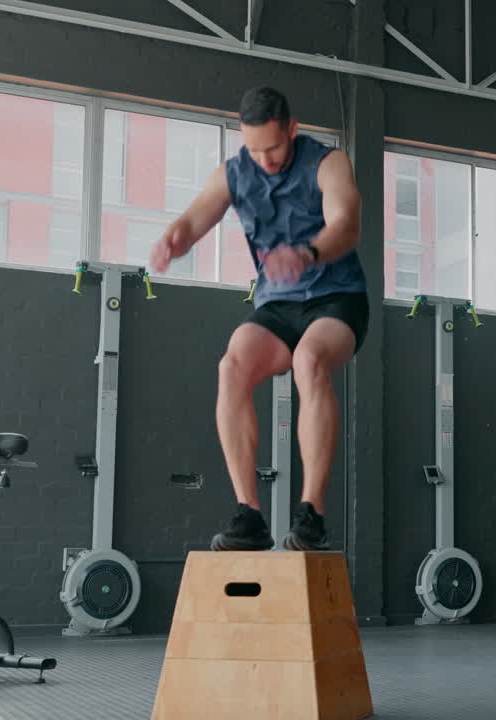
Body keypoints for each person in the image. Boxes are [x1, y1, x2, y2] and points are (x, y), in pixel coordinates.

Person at [150, 86, 367, 552]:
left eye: (273, 148)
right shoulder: (234, 173)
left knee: (310, 360)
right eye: (254, 149)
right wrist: (175, 240)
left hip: (336, 299)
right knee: (232, 366)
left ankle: (312, 513)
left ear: (292, 129)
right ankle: (249, 514)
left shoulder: (328, 163)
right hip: (278, 305)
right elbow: (192, 221)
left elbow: (346, 224)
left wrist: (308, 253)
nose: (264, 160)